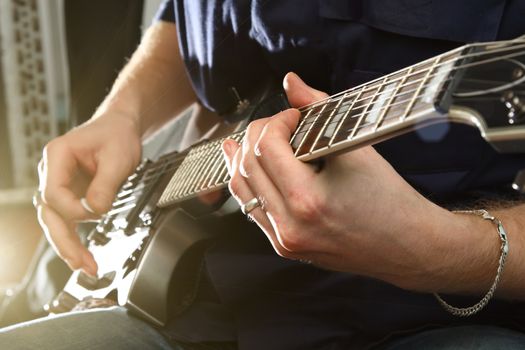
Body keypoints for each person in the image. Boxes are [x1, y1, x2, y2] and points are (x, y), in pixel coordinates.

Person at [2, 0, 525, 349]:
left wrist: (437, 250)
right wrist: (123, 112)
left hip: (424, 323)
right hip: (194, 291)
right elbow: (187, 18)